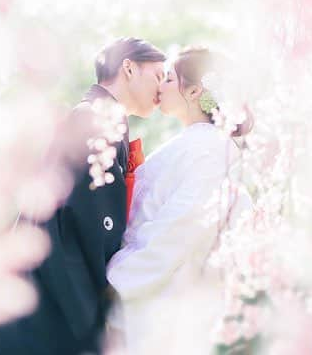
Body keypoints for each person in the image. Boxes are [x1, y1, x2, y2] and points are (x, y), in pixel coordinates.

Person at [0, 37, 166, 355]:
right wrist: (93, 319)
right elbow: (81, 226)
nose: (162, 86)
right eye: (157, 74)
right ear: (128, 68)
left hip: (48, 295)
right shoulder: (98, 121)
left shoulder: (96, 117)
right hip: (53, 304)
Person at [106, 46, 253, 355]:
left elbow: (181, 225)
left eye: (170, 78)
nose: (161, 85)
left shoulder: (213, 149)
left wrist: (117, 276)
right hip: (148, 296)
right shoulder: (196, 144)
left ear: (195, 90)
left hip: (159, 302)